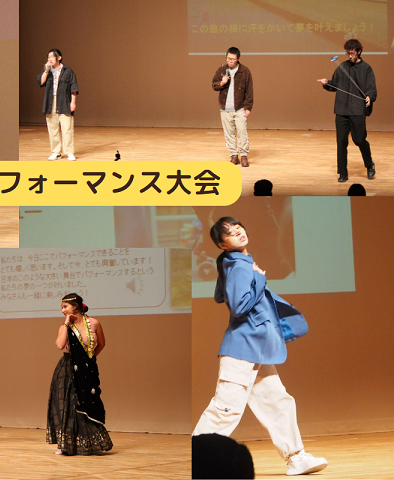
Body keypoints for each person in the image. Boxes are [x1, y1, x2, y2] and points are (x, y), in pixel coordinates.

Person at [193, 217, 328, 476]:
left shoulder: (233, 262)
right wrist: (258, 278)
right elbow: (238, 305)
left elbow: (220, 295)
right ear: (223, 244)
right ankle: (193, 460)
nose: (238, 233)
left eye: (238, 228)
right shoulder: (240, 265)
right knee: (225, 409)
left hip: (254, 349)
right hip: (242, 349)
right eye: (231, 233)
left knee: (278, 402)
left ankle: (296, 457)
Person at [46, 293, 113, 455]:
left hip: (87, 369)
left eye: (65, 307)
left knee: (88, 403)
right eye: (62, 308)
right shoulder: (65, 326)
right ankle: (66, 445)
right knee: (69, 405)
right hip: (68, 368)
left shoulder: (94, 323)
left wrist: (88, 360)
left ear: (75, 306)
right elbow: (60, 345)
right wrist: (66, 323)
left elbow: (101, 344)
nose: (62, 310)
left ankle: (89, 443)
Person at [318, 39, 376, 183]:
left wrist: (369, 97)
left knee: (359, 139)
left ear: (359, 52)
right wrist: (327, 83)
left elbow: (371, 89)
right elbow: (335, 85)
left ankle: (369, 164)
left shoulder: (366, 69)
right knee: (341, 142)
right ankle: (342, 172)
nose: (350, 56)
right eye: (348, 53)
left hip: (357, 110)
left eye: (352, 53)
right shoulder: (342, 67)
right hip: (342, 110)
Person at [212, 47, 253, 167]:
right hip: (225, 108)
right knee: (228, 133)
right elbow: (214, 85)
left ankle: (244, 156)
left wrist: (248, 107)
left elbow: (249, 91)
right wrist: (222, 82)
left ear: (238, 59)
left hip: (240, 108)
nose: (230, 61)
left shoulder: (245, 71)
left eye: (232, 59)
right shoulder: (222, 70)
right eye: (228, 58)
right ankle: (234, 156)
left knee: (242, 132)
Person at [38, 49, 79, 161]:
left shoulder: (68, 71)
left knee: (67, 129)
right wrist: (46, 69)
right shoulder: (47, 71)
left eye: (52, 57)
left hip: (64, 101)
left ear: (59, 58)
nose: (49, 59)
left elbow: (74, 88)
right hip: (50, 102)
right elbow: (41, 82)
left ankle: (69, 152)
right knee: (53, 128)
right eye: (48, 57)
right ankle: (56, 152)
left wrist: (73, 102)